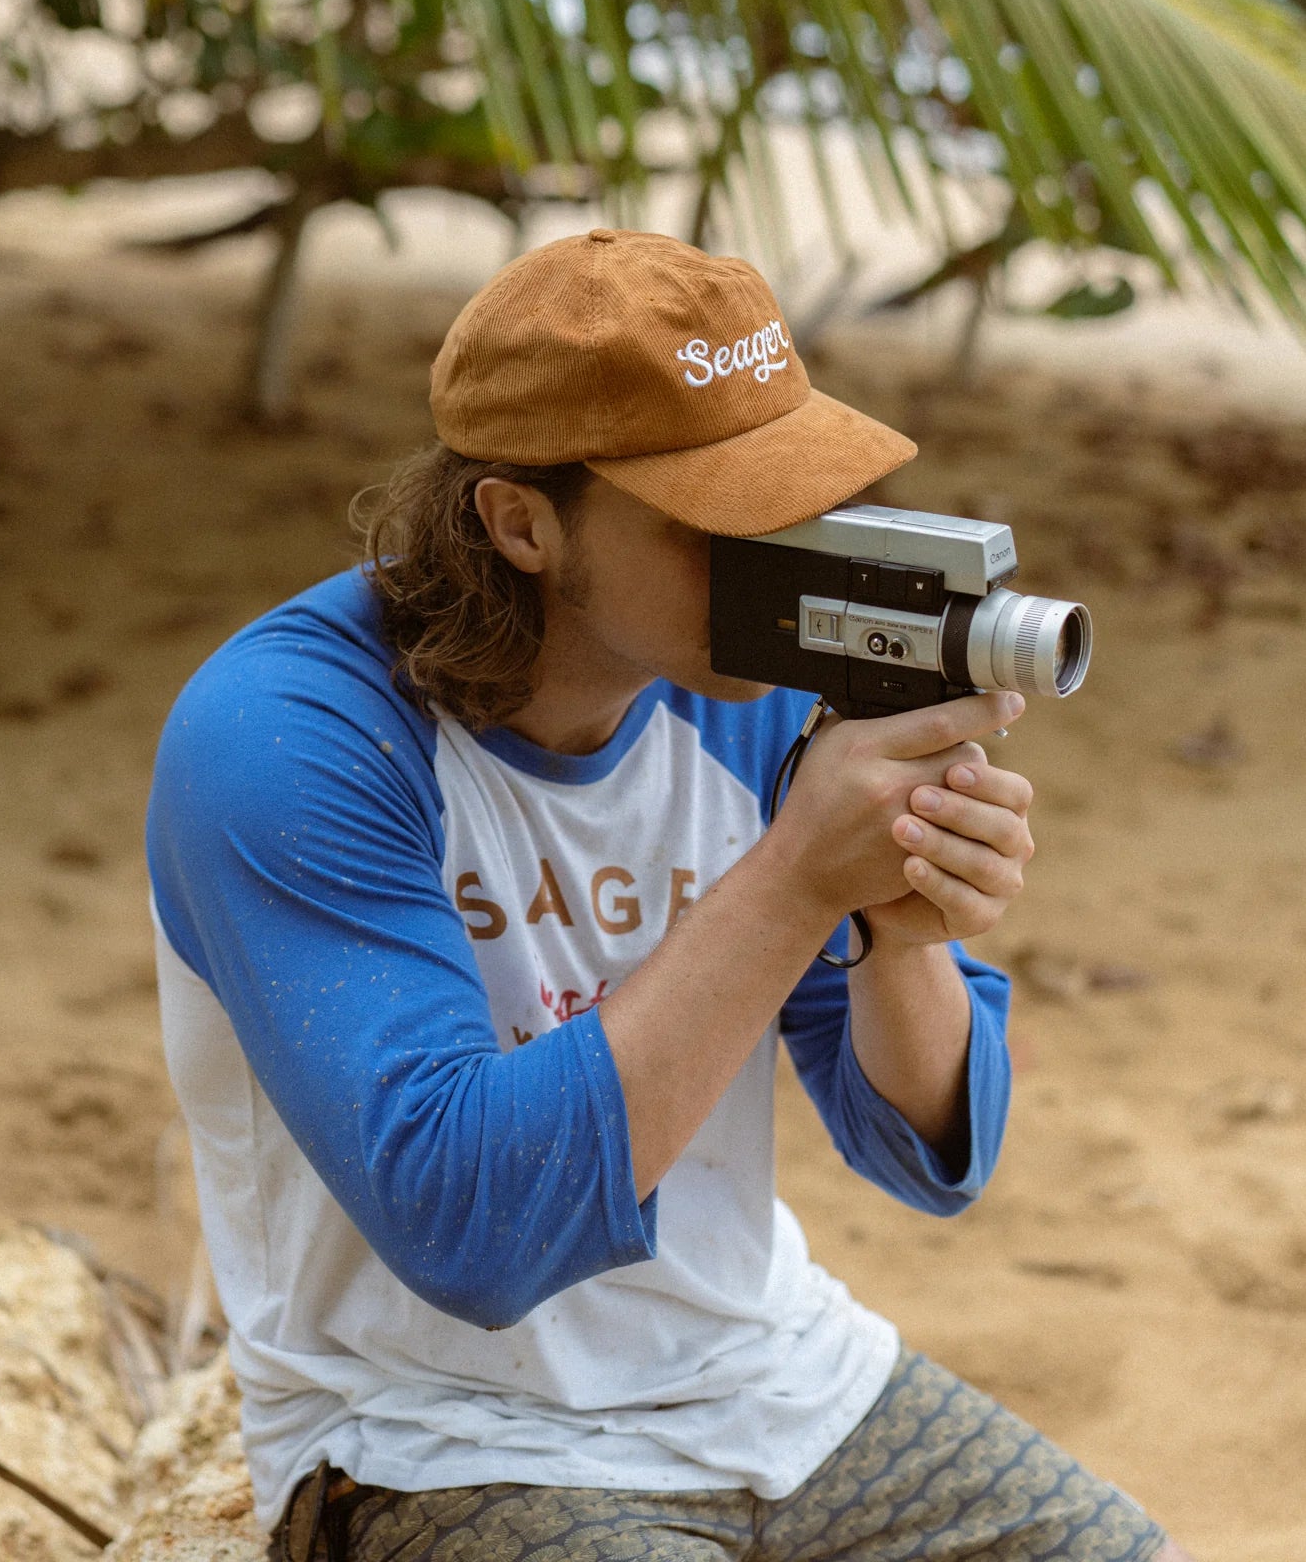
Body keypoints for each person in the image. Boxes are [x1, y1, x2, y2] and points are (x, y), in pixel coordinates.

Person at [147, 228, 1190, 1562]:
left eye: (791, 498)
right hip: (436, 1433)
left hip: (776, 1380)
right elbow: (471, 1231)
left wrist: (894, 935)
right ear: (518, 522)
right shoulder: (290, 738)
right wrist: (796, 877)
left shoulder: (729, 690)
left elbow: (930, 1158)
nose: (777, 555)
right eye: (719, 520)